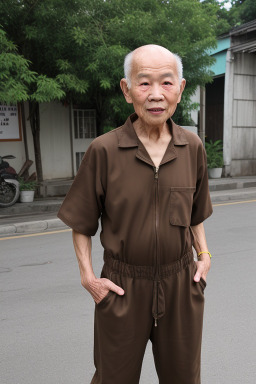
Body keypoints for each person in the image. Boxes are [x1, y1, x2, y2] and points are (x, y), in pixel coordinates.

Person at [57, 44, 213, 384]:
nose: (156, 94)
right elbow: (82, 222)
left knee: (184, 377)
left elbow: (195, 212)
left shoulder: (192, 147)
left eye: (166, 83)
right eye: (144, 83)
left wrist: (203, 254)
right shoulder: (104, 150)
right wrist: (88, 277)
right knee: (114, 378)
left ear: (180, 89)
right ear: (127, 91)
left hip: (180, 283)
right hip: (122, 286)